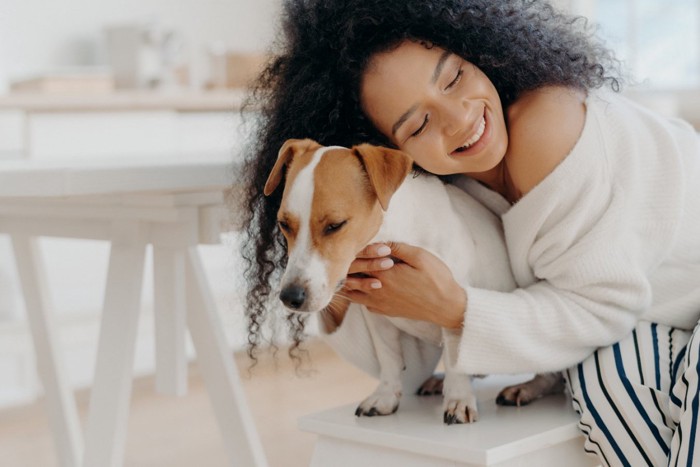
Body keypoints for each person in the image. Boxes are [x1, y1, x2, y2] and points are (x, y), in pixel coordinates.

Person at [238, 0, 700, 465]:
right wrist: (343, 286)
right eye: (417, 124)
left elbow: (602, 308)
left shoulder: (547, 125)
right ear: (389, 154)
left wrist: (455, 308)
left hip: (651, 308)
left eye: (455, 76)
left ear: (478, 48)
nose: (457, 118)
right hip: (646, 318)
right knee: (609, 388)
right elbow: (403, 365)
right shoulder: (438, 190)